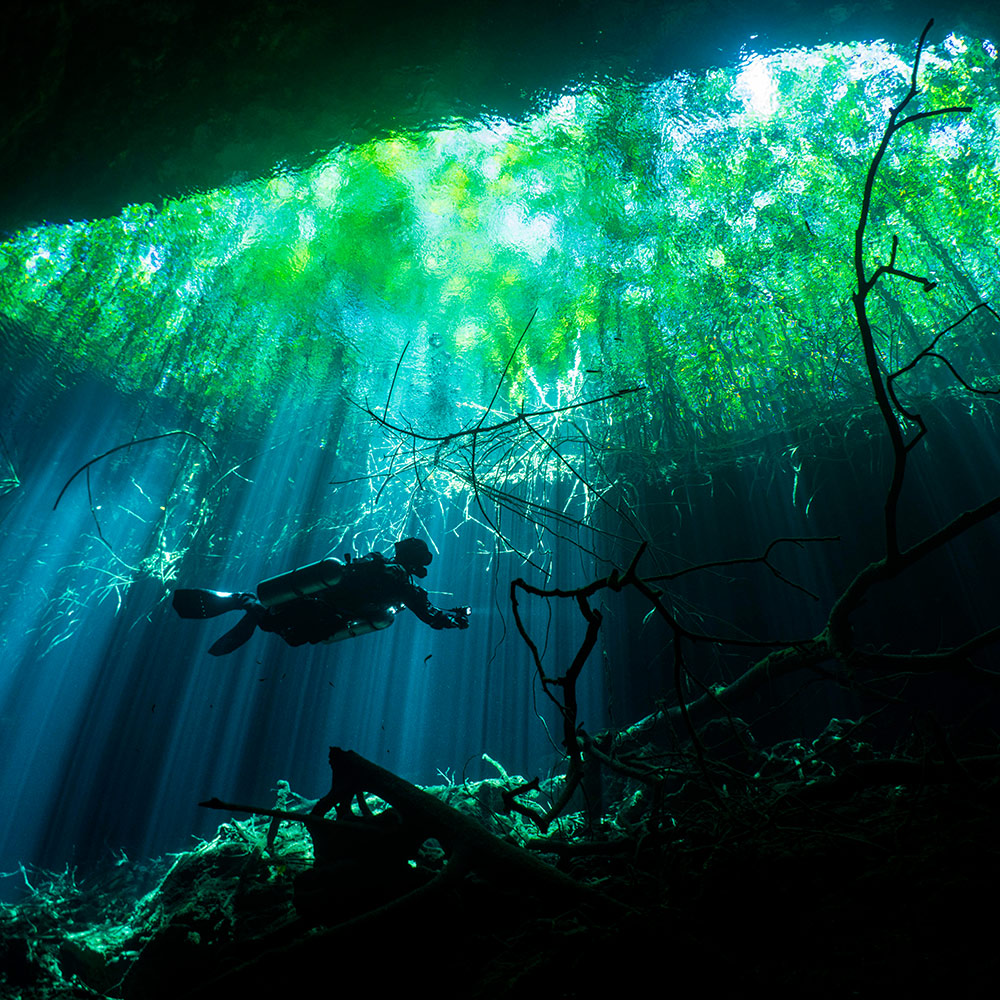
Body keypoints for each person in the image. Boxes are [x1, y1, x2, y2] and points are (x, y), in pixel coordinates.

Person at [172, 537, 470, 656]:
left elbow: (426, 609)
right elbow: (428, 612)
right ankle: (243, 600)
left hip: (324, 610)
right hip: (320, 609)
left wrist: (449, 615)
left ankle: (252, 607)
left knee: (287, 634)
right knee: (276, 628)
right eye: (422, 560)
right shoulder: (399, 579)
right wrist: (453, 619)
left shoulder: (383, 567)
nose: (423, 567)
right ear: (413, 560)